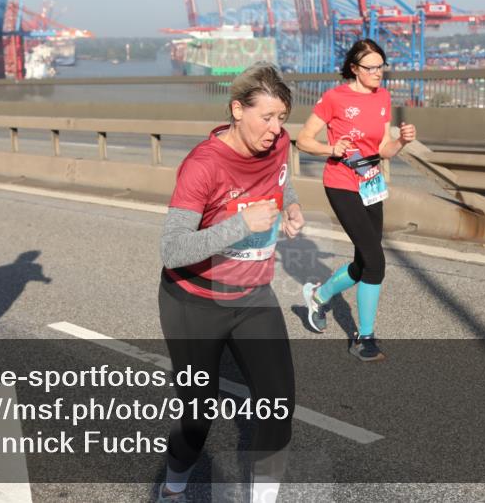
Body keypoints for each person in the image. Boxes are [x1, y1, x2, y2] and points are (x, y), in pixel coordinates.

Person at [157, 63, 304, 503]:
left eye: (282, 118)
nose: (276, 129)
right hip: (194, 301)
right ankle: (173, 484)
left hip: (253, 294)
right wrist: (241, 224)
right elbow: (173, 249)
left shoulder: (278, 143)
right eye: (267, 117)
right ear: (238, 109)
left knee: (279, 407)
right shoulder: (203, 165)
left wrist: (292, 207)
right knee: (198, 419)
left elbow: (281, 179)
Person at [295, 39, 417, 362]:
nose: (378, 73)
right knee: (376, 260)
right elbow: (303, 140)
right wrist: (329, 149)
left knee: (364, 262)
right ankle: (364, 339)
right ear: (354, 68)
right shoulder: (335, 98)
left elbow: (383, 149)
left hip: (370, 183)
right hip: (341, 183)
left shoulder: (383, 97)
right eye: (371, 68)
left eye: (381, 67)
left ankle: (319, 297)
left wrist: (401, 142)